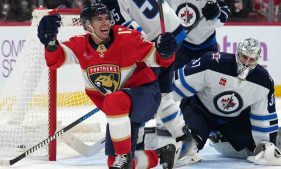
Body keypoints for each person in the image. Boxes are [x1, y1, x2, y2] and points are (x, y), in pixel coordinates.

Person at [37, 2, 178, 169]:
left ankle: (123, 156)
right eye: (99, 19)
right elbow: (55, 61)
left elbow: (160, 59)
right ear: (87, 25)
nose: (106, 23)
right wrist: (51, 44)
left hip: (145, 96)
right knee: (114, 164)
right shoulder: (80, 45)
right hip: (118, 111)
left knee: (114, 101)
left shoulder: (128, 37)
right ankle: (161, 154)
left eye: (107, 18)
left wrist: (166, 51)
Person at [97, 0, 200, 164]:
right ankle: (186, 140)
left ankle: (136, 145)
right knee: (164, 96)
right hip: (172, 34)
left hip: (154, 42)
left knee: (137, 94)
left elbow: (130, 30)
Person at [172, 38, 281, 166]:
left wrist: (266, 142)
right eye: (244, 57)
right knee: (187, 146)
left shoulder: (263, 81)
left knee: (256, 149)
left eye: (251, 59)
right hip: (199, 111)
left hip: (233, 120)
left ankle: (222, 137)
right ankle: (205, 135)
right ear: (237, 53)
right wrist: (163, 110)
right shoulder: (212, 62)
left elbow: (262, 115)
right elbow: (178, 85)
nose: (246, 63)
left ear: (257, 59)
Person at [165, 0, 230, 70]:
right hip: (180, 47)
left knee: (212, 77)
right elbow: (161, 13)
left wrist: (216, 14)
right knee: (174, 78)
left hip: (207, 46)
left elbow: (224, 11)